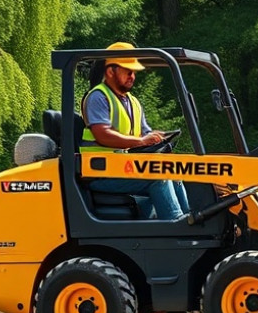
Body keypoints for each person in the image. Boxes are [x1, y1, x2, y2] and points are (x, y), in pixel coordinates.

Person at [81, 42, 189, 220]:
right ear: (110, 72)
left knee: (172, 172)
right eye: (127, 71)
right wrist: (140, 142)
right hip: (100, 174)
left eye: (134, 72)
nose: (132, 76)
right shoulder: (98, 97)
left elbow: (143, 134)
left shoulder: (133, 102)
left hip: (121, 170)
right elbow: (102, 134)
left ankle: (189, 220)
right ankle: (176, 223)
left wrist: (158, 138)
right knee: (157, 178)